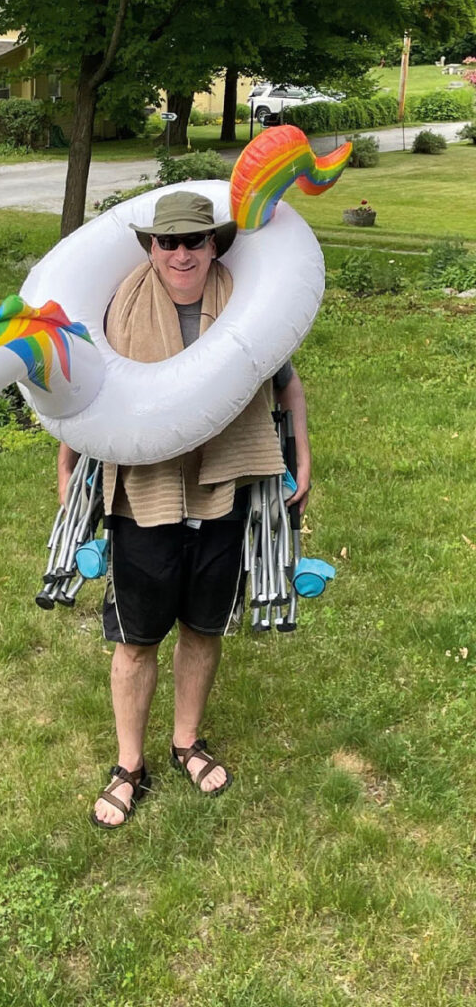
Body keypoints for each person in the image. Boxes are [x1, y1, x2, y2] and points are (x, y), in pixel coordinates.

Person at [57, 191, 311, 829]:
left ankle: (186, 741)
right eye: (167, 241)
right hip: (144, 485)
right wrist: (67, 465)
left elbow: (285, 380)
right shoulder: (120, 303)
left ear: (214, 243)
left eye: (194, 240)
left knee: (204, 624)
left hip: (226, 480)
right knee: (137, 636)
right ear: (149, 246)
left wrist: (302, 455)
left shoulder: (250, 299)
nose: (181, 253)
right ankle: (128, 765)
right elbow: (88, 387)